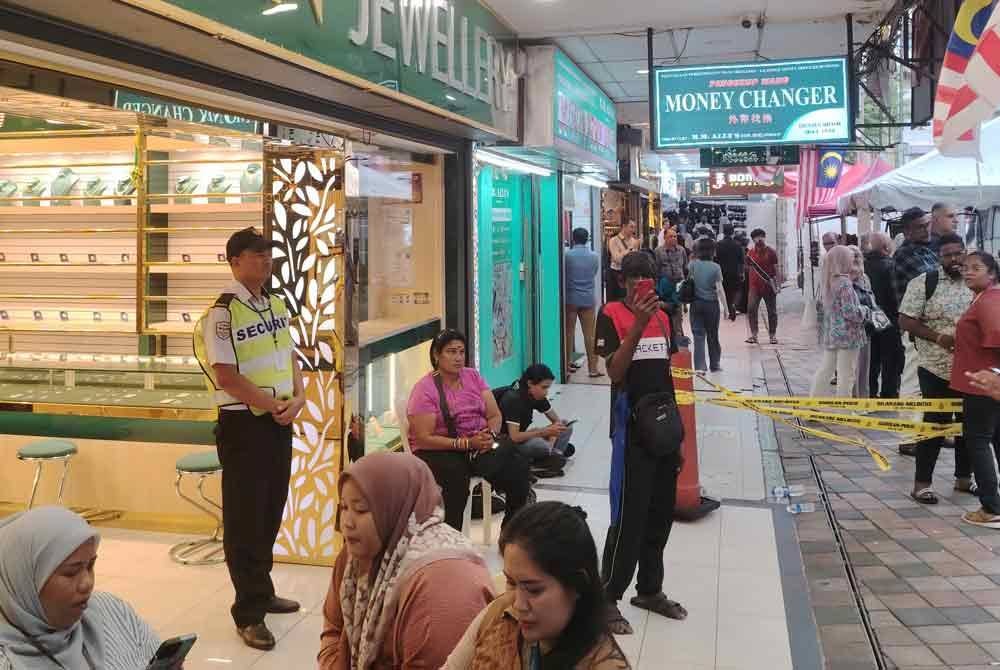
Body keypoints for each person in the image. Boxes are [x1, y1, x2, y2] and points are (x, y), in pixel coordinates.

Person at [194, 226, 304, 650]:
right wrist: (270, 404)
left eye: (268, 254)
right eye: (257, 254)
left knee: (271, 508)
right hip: (244, 424)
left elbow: (288, 355)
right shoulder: (223, 312)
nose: (266, 260)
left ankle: (262, 588)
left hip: (277, 418)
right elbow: (227, 377)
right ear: (234, 261)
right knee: (244, 517)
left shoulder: (274, 303)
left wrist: (299, 395)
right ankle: (248, 613)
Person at [318, 452, 494, 669]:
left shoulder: (443, 583)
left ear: (396, 508)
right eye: (344, 507)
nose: (347, 522)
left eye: (361, 509)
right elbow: (333, 630)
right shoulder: (356, 556)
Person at [595, 251, 686, 635]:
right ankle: (607, 598)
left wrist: (677, 440)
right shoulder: (610, 314)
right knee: (628, 517)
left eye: (645, 276)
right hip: (631, 430)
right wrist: (639, 323)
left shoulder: (665, 317)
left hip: (663, 427)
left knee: (660, 515)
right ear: (622, 281)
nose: (639, 283)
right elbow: (615, 371)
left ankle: (649, 590)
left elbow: (667, 379)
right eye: (633, 277)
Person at [442, 502, 630, 670]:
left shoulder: (604, 664)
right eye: (511, 582)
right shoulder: (501, 614)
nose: (518, 604)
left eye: (534, 590)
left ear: (577, 585)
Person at [0, 507, 163, 669]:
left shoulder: (110, 610)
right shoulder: (7, 661)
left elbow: (155, 652)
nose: (87, 583)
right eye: (71, 573)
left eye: (90, 566)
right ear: (26, 581)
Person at [407, 329, 531, 531]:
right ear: (436, 356)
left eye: (461, 352)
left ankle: (510, 531)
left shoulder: (472, 376)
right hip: (439, 449)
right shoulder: (425, 389)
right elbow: (423, 439)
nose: (458, 358)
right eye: (451, 352)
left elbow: (494, 415)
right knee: (457, 479)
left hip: (477, 445)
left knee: (519, 469)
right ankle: (451, 540)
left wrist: (488, 437)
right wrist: (465, 444)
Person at [897, 234, 973, 504]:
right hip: (934, 367)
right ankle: (921, 484)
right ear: (938, 257)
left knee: (968, 425)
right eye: (948, 255)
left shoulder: (976, 281)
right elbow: (905, 320)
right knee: (935, 425)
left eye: (958, 253)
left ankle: (965, 478)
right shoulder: (925, 283)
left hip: (969, 368)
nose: (954, 259)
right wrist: (937, 337)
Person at [952, 251, 1000, 528]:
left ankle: (990, 507)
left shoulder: (990, 300)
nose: (968, 272)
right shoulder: (984, 297)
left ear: (991, 273)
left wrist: (994, 373)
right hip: (985, 382)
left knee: (978, 441)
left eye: (976, 268)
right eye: (965, 268)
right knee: (995, 441)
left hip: (983, 384)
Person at [892, 208, 940, 457]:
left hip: (931, 329)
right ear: (908, 230)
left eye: (927, 224)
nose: (926, 229)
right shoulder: (906, 255)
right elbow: (933, 284)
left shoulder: (928, 250)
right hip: (915, 328)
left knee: (931, 383)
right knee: (912, 381)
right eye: (921, 226)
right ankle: (908, 436)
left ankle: (930, 432)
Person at [810, 246, 870, 398]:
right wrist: (864, 310)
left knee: (825, 370)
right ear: (842, 261)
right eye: (849, 259)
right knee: (846, 375)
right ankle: (844, 410)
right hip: (848, 336)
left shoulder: (829, 280)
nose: (852, 262)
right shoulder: (845, 283)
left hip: (832, 334)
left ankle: (812, 405)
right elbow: (850, 312)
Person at [499, 364, 575, 465]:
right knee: (539, 445)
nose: (546, 392)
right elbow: (514, 437)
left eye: (547, 388)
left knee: (566, 424)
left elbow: (557, 421)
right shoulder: (513, 398)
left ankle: (552, 454)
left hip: (522, 438)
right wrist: (543, 432)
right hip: (506, 444)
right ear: (530, 383)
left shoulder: (536, 395)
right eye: (544, 387)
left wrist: (552, 436)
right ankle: (550, 455)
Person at [865, 233, 903, 398]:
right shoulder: (890, 265)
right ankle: (889, 394)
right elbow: (896, 295)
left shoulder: (863, 266)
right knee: (890, 358)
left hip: (869, 316)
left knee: (871, 358)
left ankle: (869, 393)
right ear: (886, 247)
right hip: (887, 317)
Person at [565, 227, 602, 378]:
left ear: (573, 239)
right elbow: (594, 273)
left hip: (571, 298)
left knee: (568, 332)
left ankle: (566, 366)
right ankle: (593, 368)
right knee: (590, 335)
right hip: (587, 298)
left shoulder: (567, 256)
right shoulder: (594, 256)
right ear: (587, 239)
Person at [688, 238, 723, 373]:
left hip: (696, 304)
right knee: (713, 334)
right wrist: (726, 308)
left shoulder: (692, 265)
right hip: (712, 305)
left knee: (698, 335)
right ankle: (715, 364)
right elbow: (720, 289)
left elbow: (688, 282)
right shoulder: (716, 267)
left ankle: (700, 367)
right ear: (712, 251)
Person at [745, 228, 781, 345]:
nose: (759, 239)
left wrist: (778, 285)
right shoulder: (750, 253)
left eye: (761, 236)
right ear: (753, 239)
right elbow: (749, 269)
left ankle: (772, 335)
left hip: (768, 286)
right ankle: (754, 335)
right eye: (756, 237)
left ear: (764, 237)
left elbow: (776, 269)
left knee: (772, 312)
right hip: (754, 287)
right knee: (751, 309)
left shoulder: (771, 252)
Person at [850, 246, 876, 399]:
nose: (855, 259)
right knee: (852, 368)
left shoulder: (865, 277)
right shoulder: (843, 278)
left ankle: (863, 400)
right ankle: (853, 400)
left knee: (864, 367)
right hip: (851, 330)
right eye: (851, 257)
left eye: (857, 256)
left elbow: (871, 299)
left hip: (866, 327)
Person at [715, 224, 745, 322]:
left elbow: (716, 259)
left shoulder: (718, 244)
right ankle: (733, 305)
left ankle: (728, 308)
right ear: (732, 232)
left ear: (723, 232)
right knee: (735, 290)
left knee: (725, 291)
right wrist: (742, 273)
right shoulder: (737, 245)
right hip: (734, 272)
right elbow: (741, 261)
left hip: (722, 272)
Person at [607, 221, 640, 301]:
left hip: (629, 274)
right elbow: (617, 259)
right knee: (615, 301)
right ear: (624, 226)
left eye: (634, 227)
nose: (633, 229)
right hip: (616, 273)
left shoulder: (634, 241)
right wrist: (630, 249)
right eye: (631, 227)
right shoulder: (613, 240)